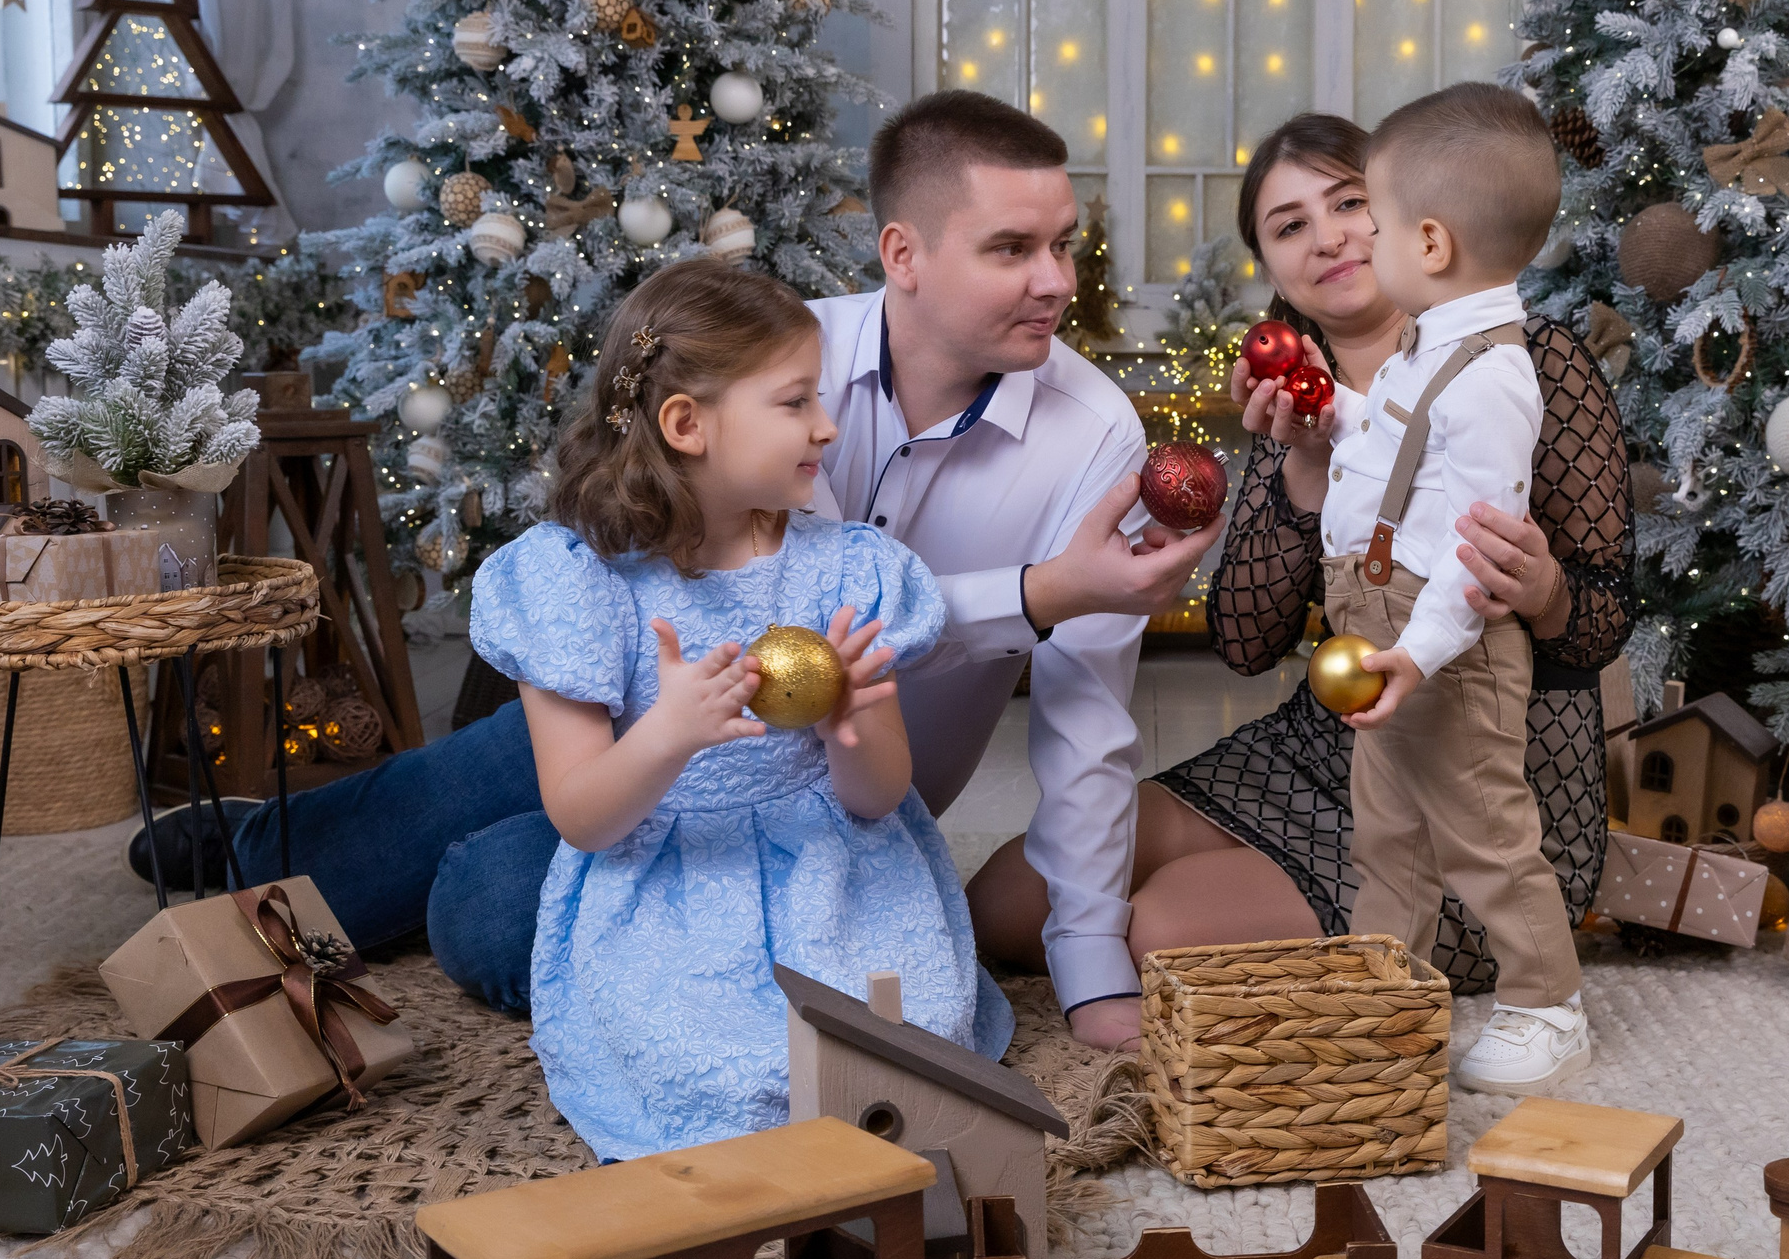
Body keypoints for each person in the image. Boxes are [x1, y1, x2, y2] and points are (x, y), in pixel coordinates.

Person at [141, 92, 1218, 1051]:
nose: (1055, 283)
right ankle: (250, 853)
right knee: (517, 754)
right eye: (1012, 248)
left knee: (493, 897)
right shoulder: (790, 366)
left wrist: (1089, 966)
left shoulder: (1093, 437)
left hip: (840, 801)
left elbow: (1086, 725)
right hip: (660, 714)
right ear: (904, 254)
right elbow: (736, 592)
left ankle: (449, 865)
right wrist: (1035, 595)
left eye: (1063, 246)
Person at [966, 111, 1635, 1042]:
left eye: (1351, 201)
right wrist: (1306, 468)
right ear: (1271, 266)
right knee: (1005, 903)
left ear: (1416, 218)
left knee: (1159, 930)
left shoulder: (1524, 363)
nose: (1328, 237)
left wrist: (1544, 590)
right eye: (1288, 225)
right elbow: (1245, 642)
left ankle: (1487, 977)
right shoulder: (1301, 394)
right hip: (1330, 744)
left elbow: (1604, 623)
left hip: (1486, 765)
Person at [469, 260, 993, 1158]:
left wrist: (852, 727)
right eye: (794, 403)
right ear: (687, 424)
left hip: (831, 868)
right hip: (671, 877)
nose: (827, 427)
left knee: (900, 1043)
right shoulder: (579, 579)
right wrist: (669, 734)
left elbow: (879, 796)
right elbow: (584, 816)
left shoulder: (847, 568)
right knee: (714, 1066)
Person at [1290, 83, 1585, 1094]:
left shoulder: (1495, 375)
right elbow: (1391, 447)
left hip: (1446, 651)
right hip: (1384, 632)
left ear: (1429, 242)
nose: (1353, 242)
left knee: (1485, 837)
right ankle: (1385, 990)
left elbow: (1476, 545)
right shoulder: (1430, 344)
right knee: (1390, 833)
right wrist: (1331, 415)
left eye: (1365, 220)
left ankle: (1548, 1003)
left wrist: (1417, 651)